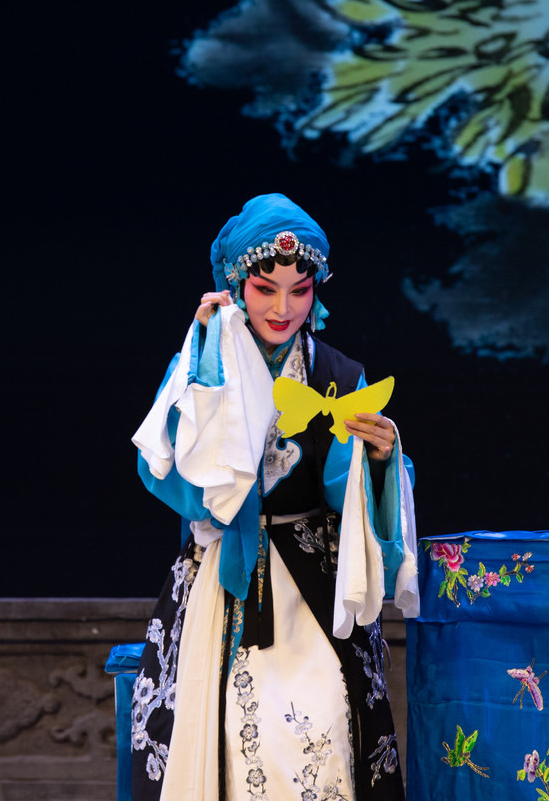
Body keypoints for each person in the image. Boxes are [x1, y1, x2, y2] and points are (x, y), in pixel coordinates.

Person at [130, 193, 418, 800]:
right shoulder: (200, 360)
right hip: (222, 579)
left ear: (317, 292)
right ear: (235, 286)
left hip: (314, 579)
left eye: (299, 290)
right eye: (265, 289)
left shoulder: (337, 375)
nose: (283, 308)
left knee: (324, 724)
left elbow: (344, 489)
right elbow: (162, 468)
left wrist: (379, 458)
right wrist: (205, 373)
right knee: (217, 736)